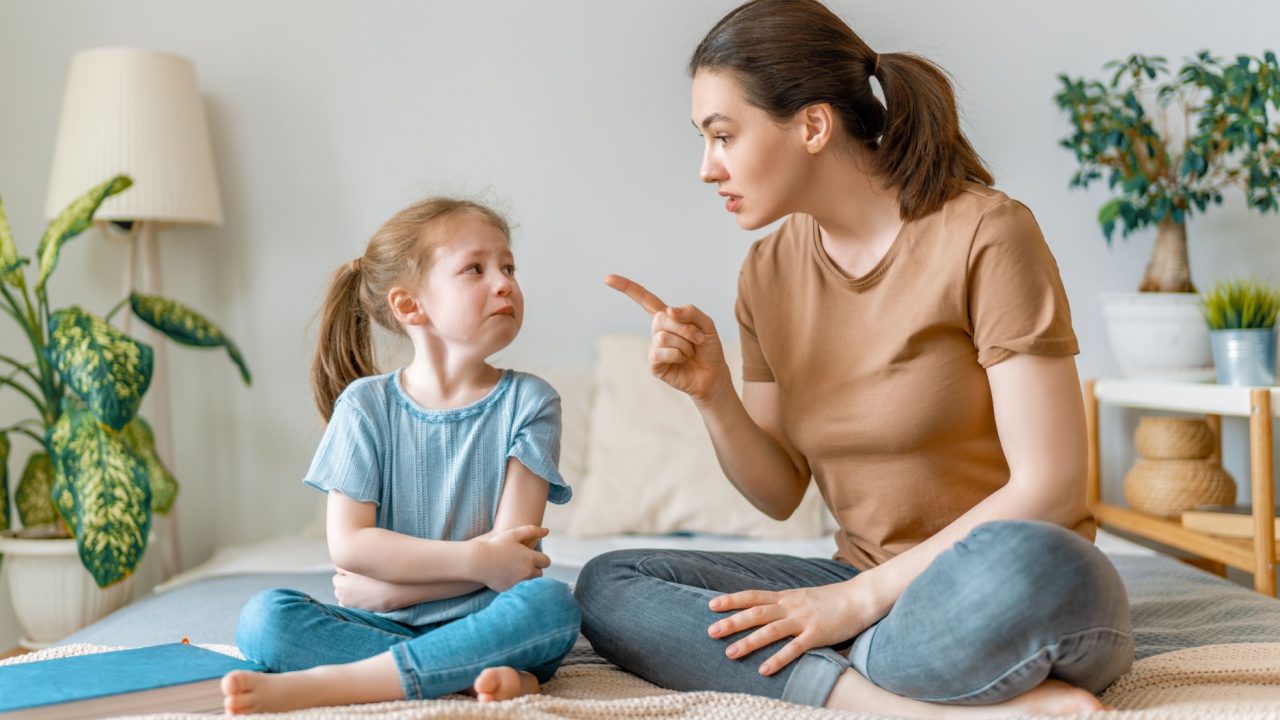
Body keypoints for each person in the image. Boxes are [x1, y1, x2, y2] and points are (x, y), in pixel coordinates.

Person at [575, 0, 1132, 717]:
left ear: (812, 124)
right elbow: (779, 494)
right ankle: (886, 699)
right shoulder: (766, 273)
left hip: (999, 580)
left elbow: (1052, 486)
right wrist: (711, 395)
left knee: (1033, 568)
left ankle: (852, 658)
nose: (707, 168)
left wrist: (847, 606)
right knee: (611, 583)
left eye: (722, 136)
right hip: (860, 582)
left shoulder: (986, 233)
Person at [221, 197, 579, 715]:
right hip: (400, 627)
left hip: (491, 621)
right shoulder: (365, 405)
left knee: (551, 606)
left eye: (508, 267)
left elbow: (515, 563)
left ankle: (341, 685)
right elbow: (350, 544)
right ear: (410, 306)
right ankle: (462, 675)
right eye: (475, 269)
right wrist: (477, 562)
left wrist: (393, 592)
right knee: (264, 619)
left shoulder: (532, 402)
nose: (504, 282)